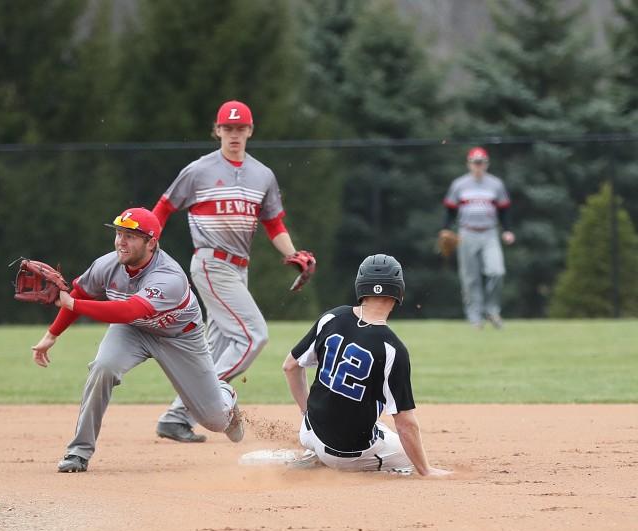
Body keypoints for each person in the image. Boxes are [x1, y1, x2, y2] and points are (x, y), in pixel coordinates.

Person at [31, 207, 245, 473]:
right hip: (132, 331)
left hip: (179, 337)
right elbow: (81, 291)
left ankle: (225, 393)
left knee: (215, 421)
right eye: (119, 233)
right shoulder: (107, 264)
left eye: (131, 236)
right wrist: (51, 335)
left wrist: (72, 303)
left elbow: (129, 310)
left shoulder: (169, 277)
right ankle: (78, 452)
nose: (121, 241)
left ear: (151, 242)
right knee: (103, 367)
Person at [152, 99, 311, 443]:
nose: (234, 134)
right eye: (228, 128)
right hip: (212, 263)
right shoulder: (198, 171)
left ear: (250, 131)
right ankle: (208, 403)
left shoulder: (262, 174)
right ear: (217, 130)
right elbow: (163, 209)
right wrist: (148, 248)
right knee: (253, 335)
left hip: (240, 269)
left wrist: (293, 253)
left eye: (241, 128)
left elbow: (273, 223)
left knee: (216, 344)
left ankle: (176, 417)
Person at [281, 254, 450, 477]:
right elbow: (406, 424)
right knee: (406, 457)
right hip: (345, 454)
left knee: (379, 428)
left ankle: (314, 453)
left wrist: (306, 412)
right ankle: (369, 470)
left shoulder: (333, 317)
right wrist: (426, 470)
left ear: (360, 286)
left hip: (309, 430)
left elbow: (290, 366)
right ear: (398, 292)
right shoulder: (392, 348)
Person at [440, 147, 515, 329]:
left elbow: (504, 210)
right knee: (470, 278)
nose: (478, 166)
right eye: (475, 162)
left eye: (481, 162)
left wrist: (507, 230)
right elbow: (450, 209)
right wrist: (446, 229)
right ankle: (475, 318)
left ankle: (492, 310)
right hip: (466, 233)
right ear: (469, 164)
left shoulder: (495, 184)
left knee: (497, 271)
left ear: (487, 164)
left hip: (489, 233)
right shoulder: (459, 184)